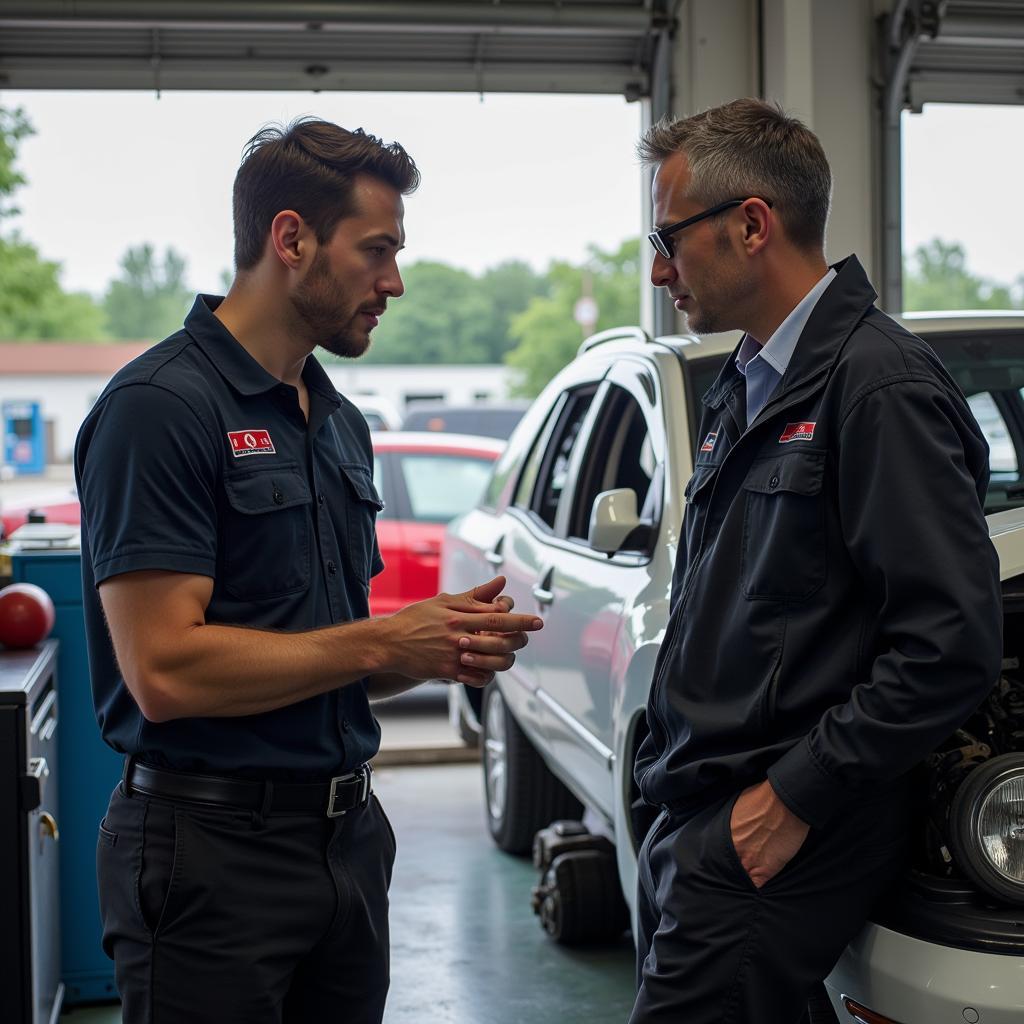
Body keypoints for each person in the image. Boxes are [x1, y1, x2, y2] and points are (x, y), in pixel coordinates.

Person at [74, 118, 543, 1024]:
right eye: (377, 250)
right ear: (291, 239)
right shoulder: (159, 410)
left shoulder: (336, 422)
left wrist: (435, 646)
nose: (394, 282)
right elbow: (164, 671)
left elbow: (325, 660)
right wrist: (382, 638)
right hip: (209, 855)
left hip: (346, 843)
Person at [630, 98, 1002, 1023]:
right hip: (703, 812)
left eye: (668, 235)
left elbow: (948, 641)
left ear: (751, 224)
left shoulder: (876, 387)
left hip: (776, 827)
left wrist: (793, 797)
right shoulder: (751, 379)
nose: (658, 266)